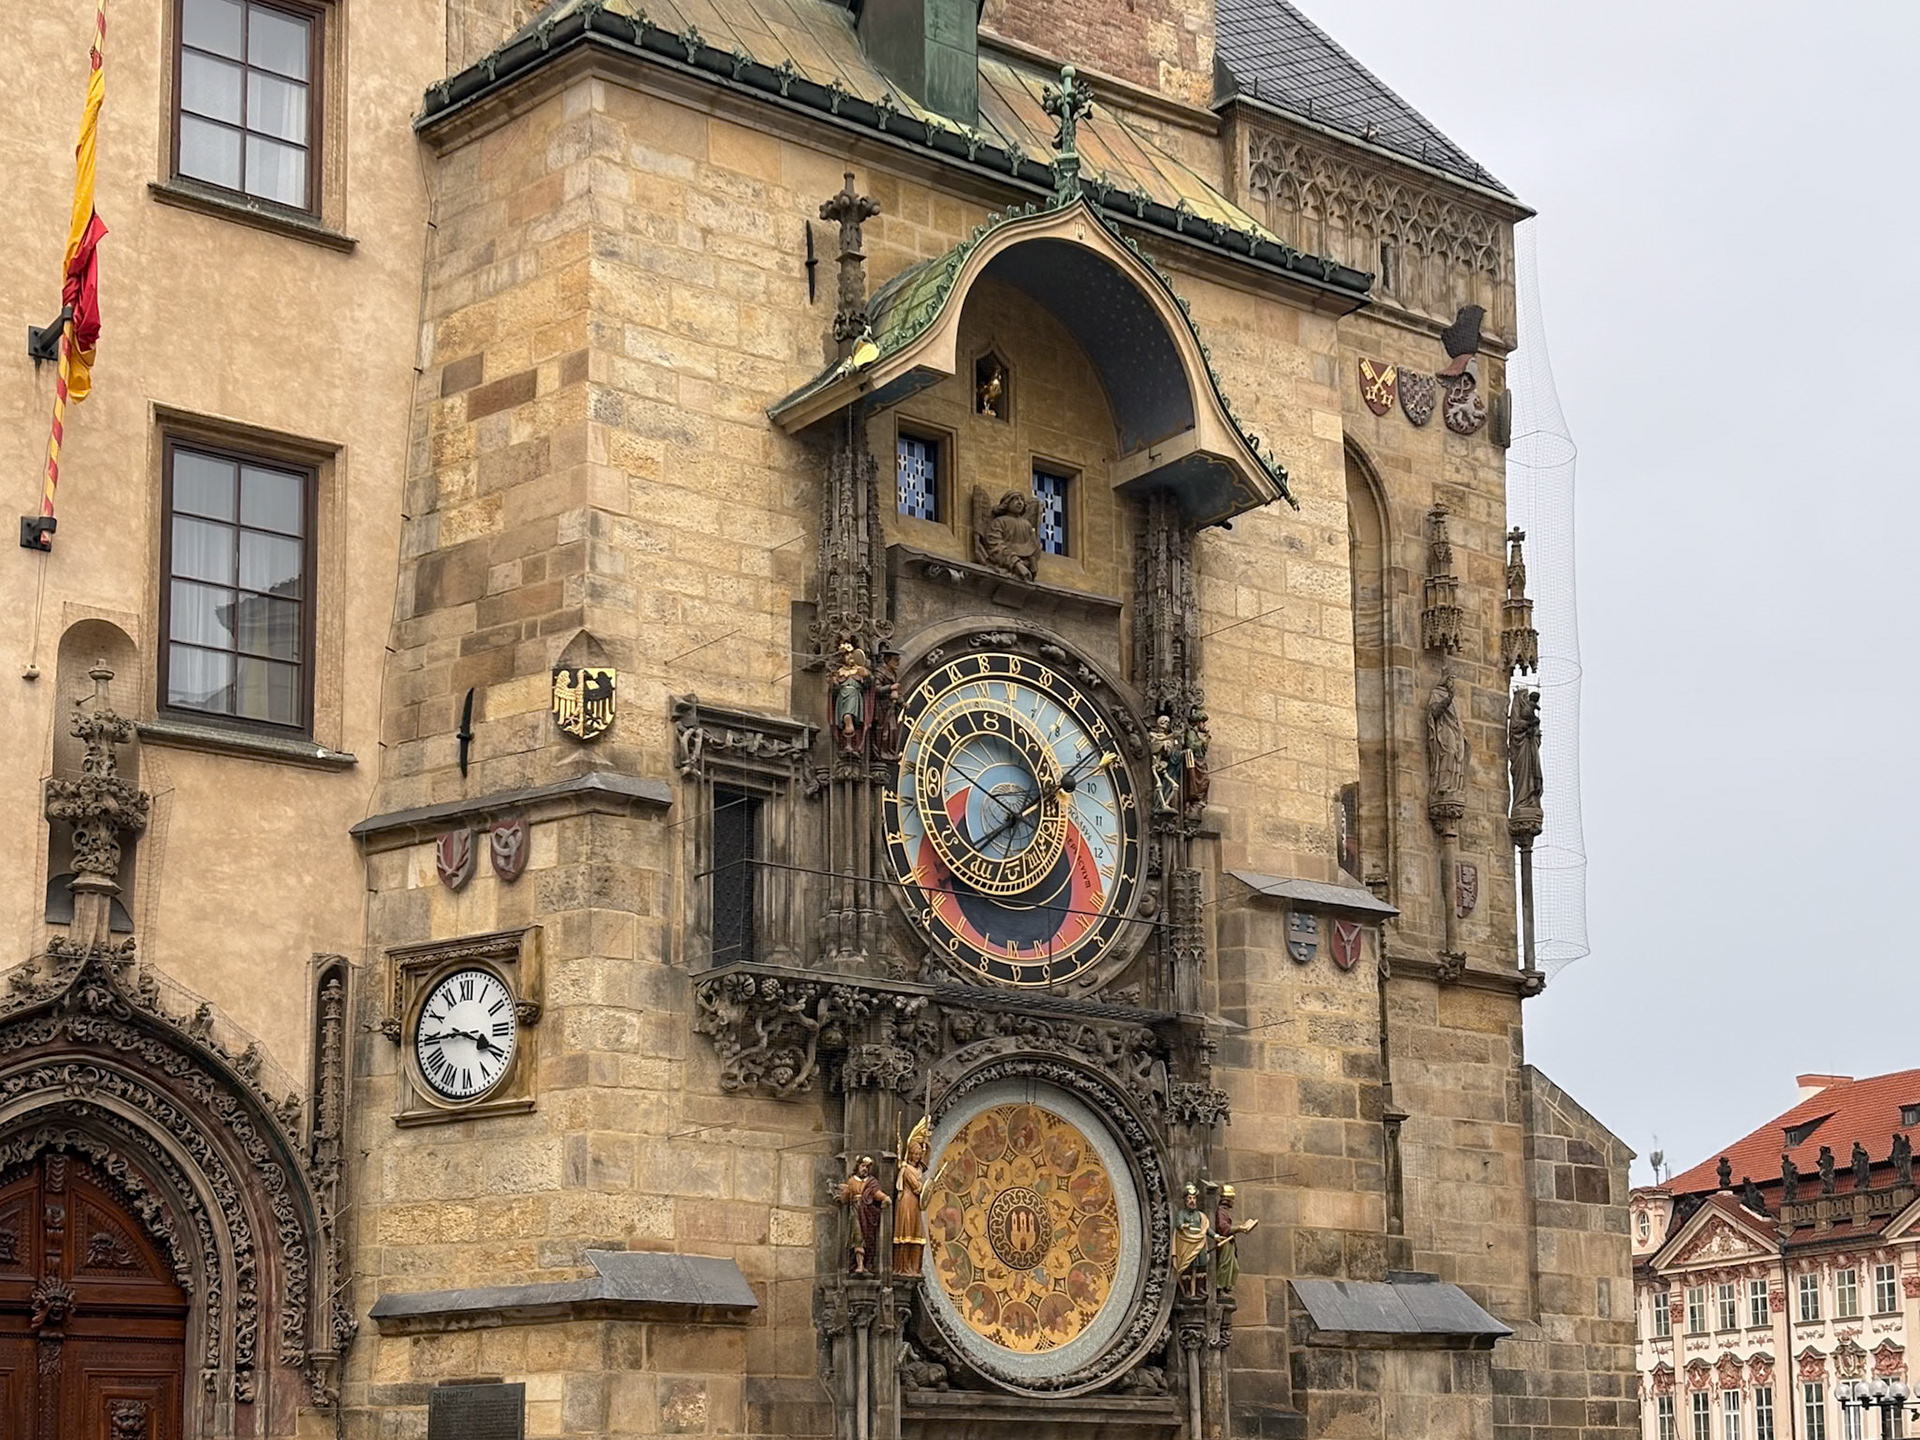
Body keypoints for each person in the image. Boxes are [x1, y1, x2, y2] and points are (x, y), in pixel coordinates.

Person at [838, 1155, 891, 1274]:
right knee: (858, 1236)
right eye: (862, 1166)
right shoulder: (852, 1181)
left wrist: (885, 1198)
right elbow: (846, 1196)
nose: (865, 1169)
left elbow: (876, 1193)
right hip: (855, 1212)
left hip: (868, 1213)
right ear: (857, 1167)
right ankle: (859, 1264)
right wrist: (842, 1194)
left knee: (869, 1238)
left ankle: (868, 1263)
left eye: (867, 1167)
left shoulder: (871, 1182)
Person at [892, 1118, 930, 1276]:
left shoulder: (918, 1169)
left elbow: (925, 1162)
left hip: (915, 1204)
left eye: (919, 1154)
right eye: (914, 1154)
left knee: (917, 1235)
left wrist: (926, 1145)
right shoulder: (906, 1169)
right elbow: (917, 1187)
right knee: (906, 1233)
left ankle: (914, 1268)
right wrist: (927, 1188)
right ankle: (903, 1267)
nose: (917, 1157)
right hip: (907, 1203)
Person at [1172, 1183, 1213, 1297]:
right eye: (1190, 1198)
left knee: (1201, 1266)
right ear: (1185, 1200)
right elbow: (1178, 1224)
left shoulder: (1199, 1215)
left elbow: (1206, 1229)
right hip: (1187, 1243)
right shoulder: (1182, 1213)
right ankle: (1187, 1290)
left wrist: (1215, 1236)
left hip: (1199, 1243)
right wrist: (1183, 1226)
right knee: (1187, 1267)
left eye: (1194, 1198)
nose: (1192, 1201)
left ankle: (1200, 1289)